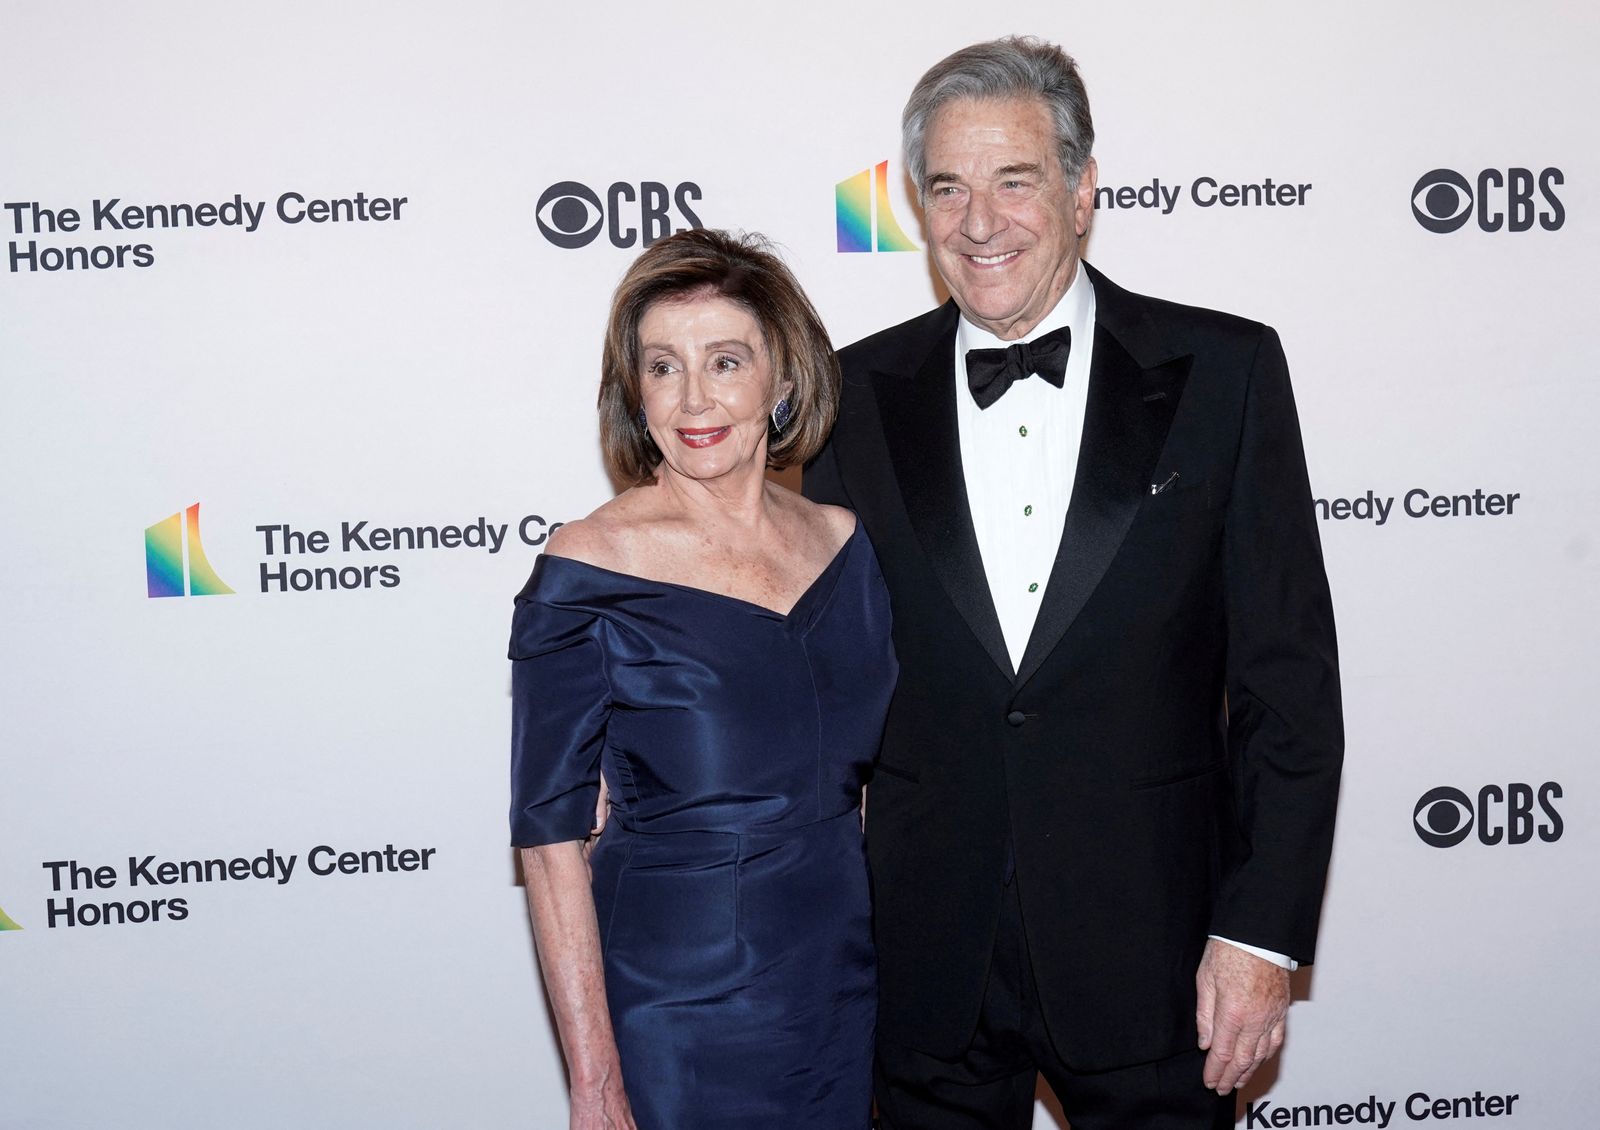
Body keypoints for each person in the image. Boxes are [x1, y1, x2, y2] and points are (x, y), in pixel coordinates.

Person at [803, 36, 1343, 1130]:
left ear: (1083, 189)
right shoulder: (850, 393)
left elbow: (1287, 681)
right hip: (924, 959)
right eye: (946, 187)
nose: (978, 220)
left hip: (1157, 955)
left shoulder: (1224, 373)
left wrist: (1258, 937)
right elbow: (813, 664)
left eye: (1015, 179)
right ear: (915, 205)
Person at [510, 228, 894, 1130]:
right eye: (662, 366)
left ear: (783, 378)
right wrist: (596, 1078)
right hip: (677, 1005)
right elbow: (550, 838)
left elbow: (869, 778)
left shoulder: (845, 543)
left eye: (726, 360)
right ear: (633, 392)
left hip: (845, 979)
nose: (694, 398)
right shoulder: (590, 566)